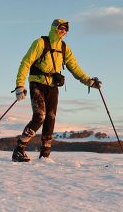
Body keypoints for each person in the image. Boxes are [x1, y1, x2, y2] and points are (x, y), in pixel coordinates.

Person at [12, 18, 101, 162]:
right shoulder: (40, 43)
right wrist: (19, 85)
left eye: (66, 29)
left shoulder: (64, 48)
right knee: (39, 117)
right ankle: (19, 149)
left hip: (53, 86)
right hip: (37, 83)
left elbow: (74, 67)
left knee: (50, 119)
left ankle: (45, 156)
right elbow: (26, 62)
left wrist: (89, 82)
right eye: (61, 28)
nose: (63, 31)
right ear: (54, 28)